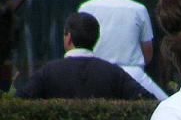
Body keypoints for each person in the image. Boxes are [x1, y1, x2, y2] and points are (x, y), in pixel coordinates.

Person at [78, 0, 168, 101]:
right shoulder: (139, 9)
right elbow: (148, 52)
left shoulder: (86, 7)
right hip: (133, 74)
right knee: (165, 104)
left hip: (94, 73)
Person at [16, 12, 154, 100]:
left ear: (68, 37)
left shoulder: (49, 72)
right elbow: (146, 99)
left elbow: (19, 101)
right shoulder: (113, 72)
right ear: (96, 38)